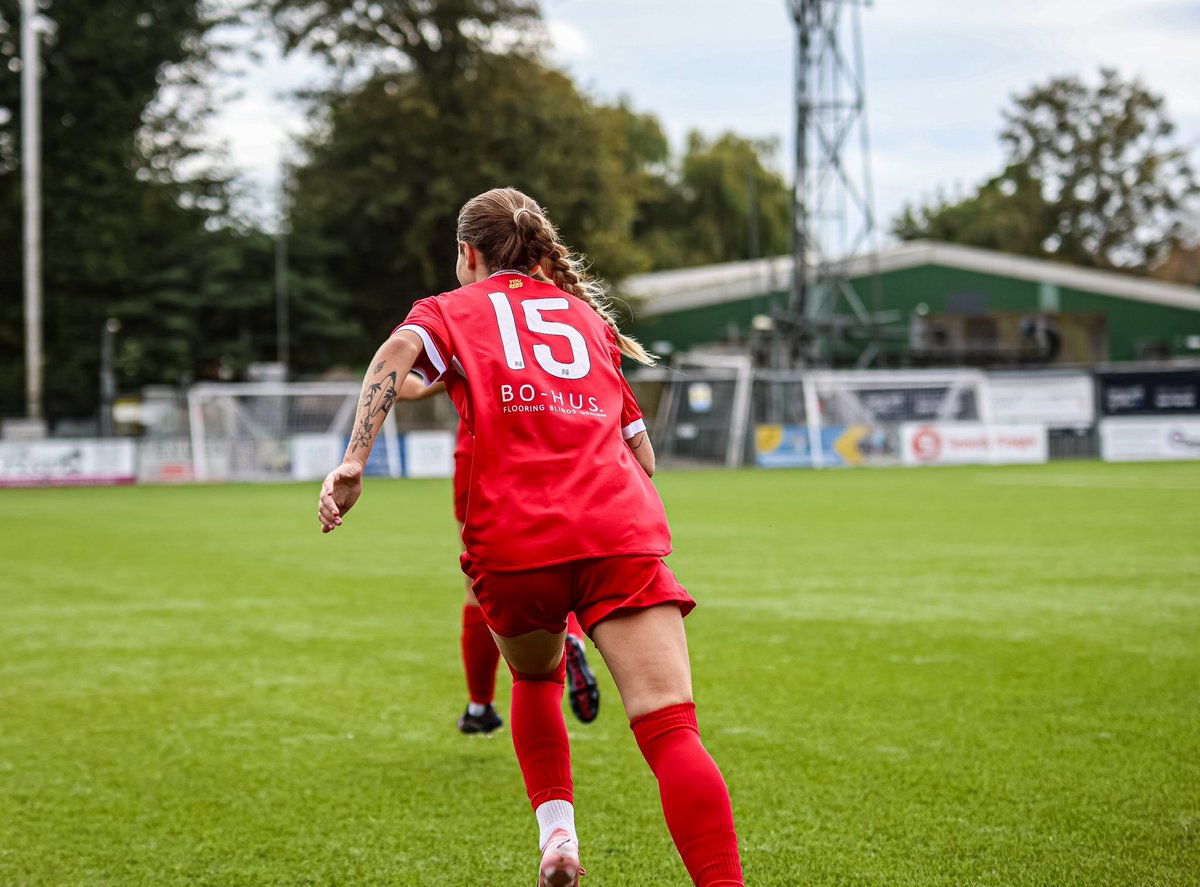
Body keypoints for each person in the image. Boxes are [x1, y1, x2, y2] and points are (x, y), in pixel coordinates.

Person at [318, 187, 743, 886]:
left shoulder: (447, 310)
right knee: (671, 732)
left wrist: (354, 460)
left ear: (468, 253)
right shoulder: (585, 318)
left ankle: (558, 839)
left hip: (514, 544)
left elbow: (396, 355)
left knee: (536, 675)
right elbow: (644, 457)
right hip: (617, 531)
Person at [395, 375, 601, 734]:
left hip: (479, 457)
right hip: (549, 449)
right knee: (561, 559)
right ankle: (572, 637)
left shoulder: (467, 325)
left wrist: (389, 372)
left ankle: (480, 706)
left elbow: (411, 389)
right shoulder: (552, 324)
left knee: (476, 585)